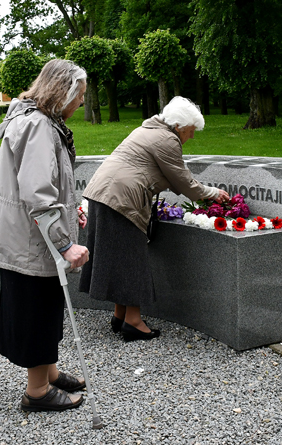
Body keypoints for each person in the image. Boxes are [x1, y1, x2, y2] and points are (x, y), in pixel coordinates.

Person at [0, 59, 90, 412]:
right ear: (63, 92)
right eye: (80, 94)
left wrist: (70, 211)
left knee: (44, 308)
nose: (82, 102)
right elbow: (38, 194)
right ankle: (37, 391)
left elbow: (47, 186)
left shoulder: (37, 119)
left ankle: (49, 372)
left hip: (25, 234)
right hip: (30, 240)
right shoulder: (39, 126)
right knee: (38, 312)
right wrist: (65, 243)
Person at [79, 96, 229, 342]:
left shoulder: (148, 130)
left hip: (104, 195)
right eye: (191, 130)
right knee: (132, 259)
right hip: (121, 200)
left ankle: (120, 314)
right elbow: (183, 180)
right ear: (179, 126)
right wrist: (212, 194)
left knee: (119, 257)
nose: (192, 136)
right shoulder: (167, 139)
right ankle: (133, 322)